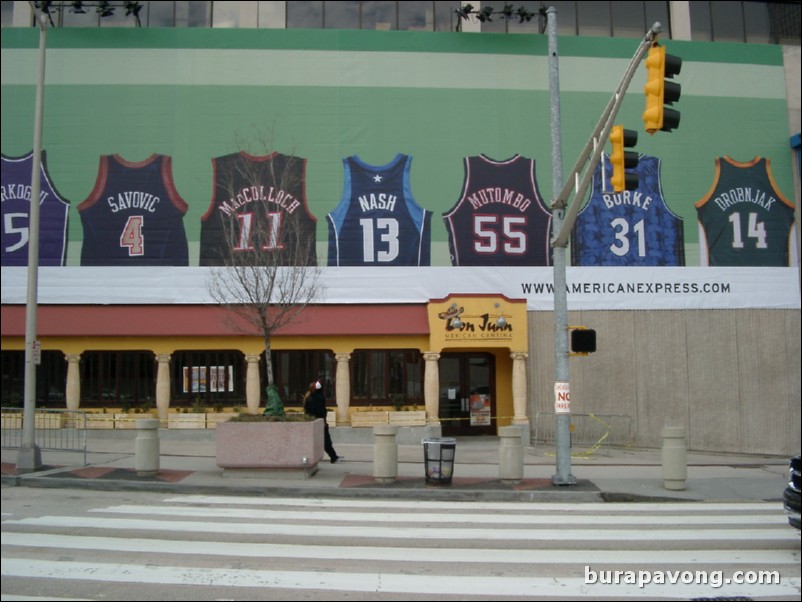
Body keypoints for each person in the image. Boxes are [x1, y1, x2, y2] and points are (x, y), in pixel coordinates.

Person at [303, 380, 341, 463]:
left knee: (322, 440)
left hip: (314, 421)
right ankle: (333, 457)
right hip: (319, 421)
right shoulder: (318, 397)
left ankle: (332, 456)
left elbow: (308, 411)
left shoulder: (309, 397)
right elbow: (320, 410)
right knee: (325, 440)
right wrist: (323, 421)